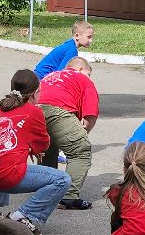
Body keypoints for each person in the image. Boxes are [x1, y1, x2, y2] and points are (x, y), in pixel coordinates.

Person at [0, 69, 70, 233]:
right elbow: (43, 145)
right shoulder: (35, 111)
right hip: (5, 174)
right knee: (62, 180)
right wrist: (32, 148)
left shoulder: (3, 106)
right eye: (39, 91)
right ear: (33, 94)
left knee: (1, 158)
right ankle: (22, 215)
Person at [35, 57, 100, 210]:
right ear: (80, 69)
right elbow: (91, 114)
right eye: (88, 74)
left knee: (48, 150)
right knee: (80, 150)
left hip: (35, 111)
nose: (89, 78)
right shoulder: (84, 80)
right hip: (58, 111)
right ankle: (68, 197)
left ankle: (47, 190)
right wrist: (82, 134)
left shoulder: (50, 76)